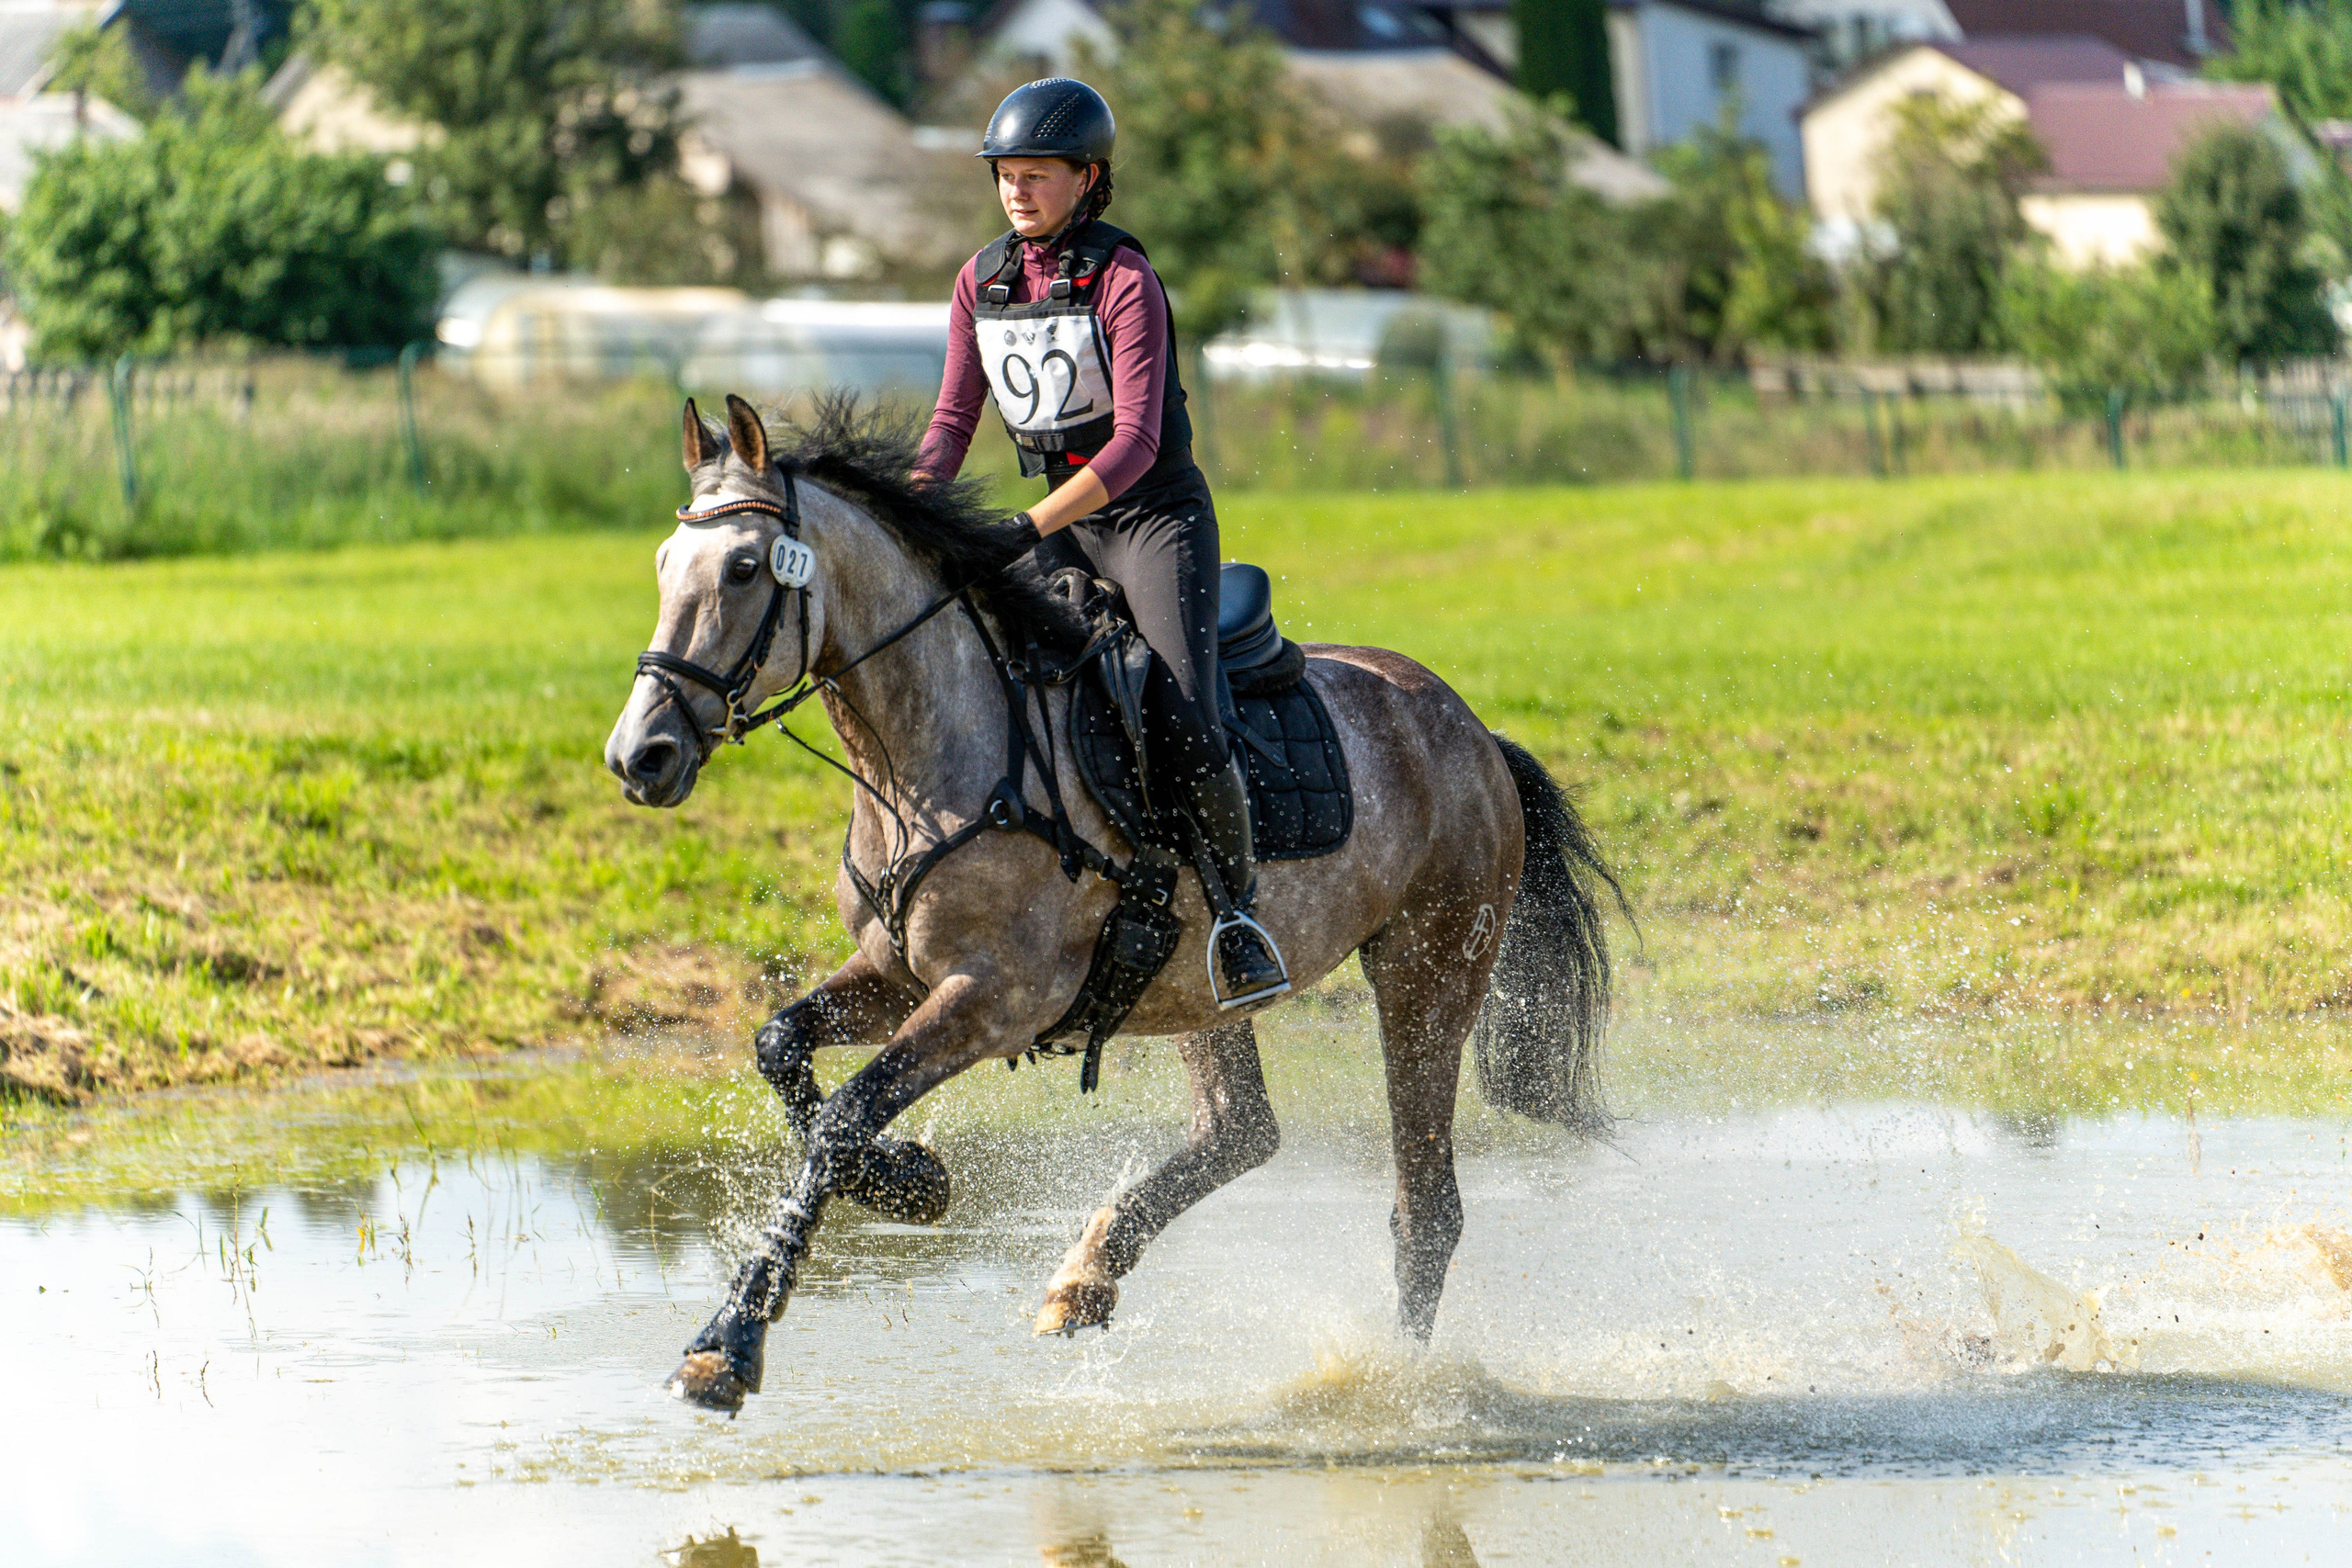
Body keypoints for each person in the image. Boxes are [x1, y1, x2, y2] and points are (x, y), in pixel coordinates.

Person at [914, 77, 1289, 1009]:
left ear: (1088, 179)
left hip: (1151, 521)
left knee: (1186, 717)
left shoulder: (1125, 277)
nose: (1015, 192)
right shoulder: (980, 281)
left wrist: (1023, 527)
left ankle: (1239, 917)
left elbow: (1135, 443)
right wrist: (912, 511)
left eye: (1036, 176)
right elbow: (953, 419)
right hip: (1059, 525)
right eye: (1005, 176)